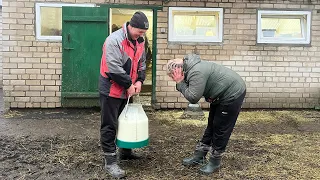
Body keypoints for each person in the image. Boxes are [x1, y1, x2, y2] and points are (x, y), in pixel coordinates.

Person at [166, 54, 246, 175]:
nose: (173, 79)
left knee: (221, 129)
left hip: (232, 94)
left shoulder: (195, 72)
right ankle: (199, 156)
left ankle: (215, 162)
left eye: (173, 76)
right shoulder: (191, 68)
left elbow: (193, 97)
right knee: (212, 125)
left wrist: (180, 83)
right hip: (219, 95)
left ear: (178, 71)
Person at [99, 11, 149, 178]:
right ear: (131, 26)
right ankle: (110, 162)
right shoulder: (114, 41)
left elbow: (142, 62)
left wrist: (139, 81)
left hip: (129, 87)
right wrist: (129, 84)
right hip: (111, 89)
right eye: (140, 32)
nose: (141, 36)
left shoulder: (140, 40)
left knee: (125, 120)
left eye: (144, 33)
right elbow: (113, 68)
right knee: (109, 124)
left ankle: (125, 152)